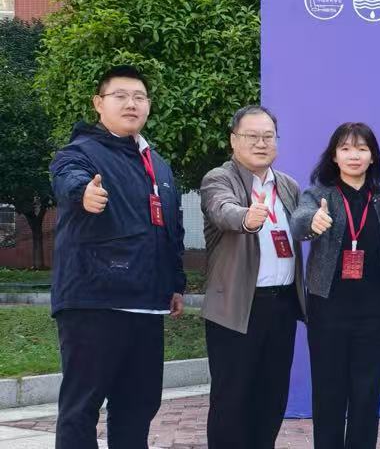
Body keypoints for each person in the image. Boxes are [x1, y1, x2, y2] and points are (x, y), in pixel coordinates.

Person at [48, 65, 186, 449]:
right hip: (95, 301)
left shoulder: (157, 164)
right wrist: (83, 193)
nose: (131, 104)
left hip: (146, 305)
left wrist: (175, 284)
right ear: (98, 103)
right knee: (81, 409)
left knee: (138, 407)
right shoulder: (80, 152)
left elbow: (171, 229)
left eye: (139, 97)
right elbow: (67, 176)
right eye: (120, 96)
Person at [291, 122, 380, 449]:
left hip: (374, 315)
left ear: (373, 156)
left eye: (361, 148)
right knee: (328, 396)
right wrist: (313, 222)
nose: (353, 155)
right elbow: (298, 222)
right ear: (334, 156)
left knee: (366, 397)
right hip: (327, 312)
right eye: (345, 149)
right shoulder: (319, 195)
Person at [199, 105, 305, 449]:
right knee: (232, 400)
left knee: (272, 396)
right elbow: (222, 210)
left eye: (268, 136)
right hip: (236, 307)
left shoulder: (287, 185)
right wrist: (246, 217)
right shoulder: (219, 178)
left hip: (282, 305)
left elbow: (302, 227)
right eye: (252, 136)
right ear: (234, 140)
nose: (261, 143)